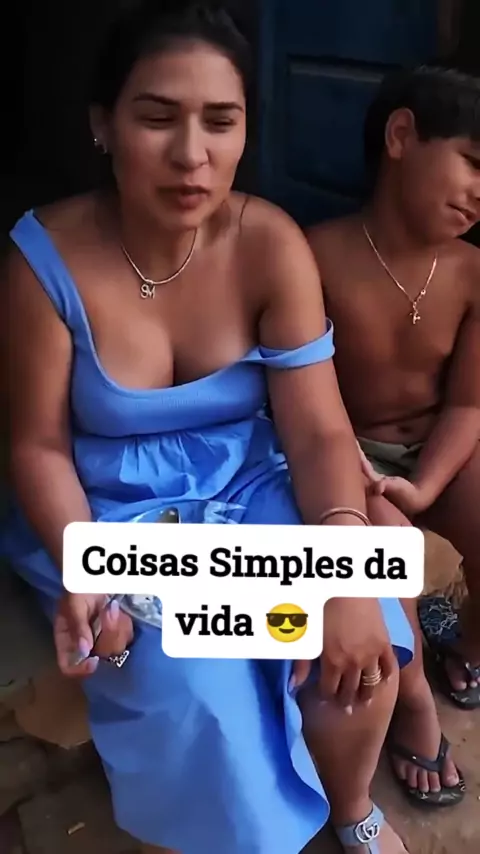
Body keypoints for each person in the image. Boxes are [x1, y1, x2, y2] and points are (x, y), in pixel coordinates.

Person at [1, 3, 413, 853]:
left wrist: (341, 573)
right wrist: (85, 565)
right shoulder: (42, 261)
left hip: (252, 483)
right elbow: (35, 444)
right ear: (103, 125)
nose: (193, 155)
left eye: (220, 122)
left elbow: (318, 434)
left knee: (364, 626)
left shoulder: (270, 242)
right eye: (158, 118)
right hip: (111, 517)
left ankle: (349, 809)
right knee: (202, 697)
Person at [308, 64, 480, 811]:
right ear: (402, 135)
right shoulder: (313, 256)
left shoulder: (471, 271)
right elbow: (303, 401)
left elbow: (468, 405)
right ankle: (414, 703)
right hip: (343, 455)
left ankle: (466, 643)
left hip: (437, 450)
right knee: (386, 547)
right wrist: (375, 485)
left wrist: (429, 483)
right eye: (474, 163)